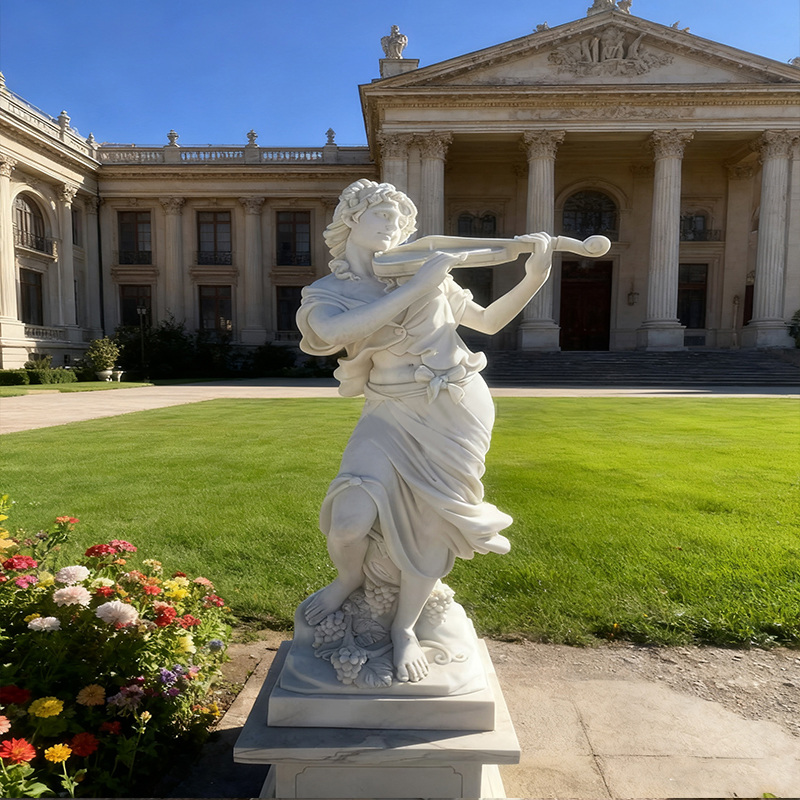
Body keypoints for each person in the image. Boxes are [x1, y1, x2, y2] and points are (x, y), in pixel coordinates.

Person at [297, 179, 553, 683]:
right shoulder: (330, 292)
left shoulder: (427, 273)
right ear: (352, 221)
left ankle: (404, 629)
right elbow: (331, 334)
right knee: (349, 519)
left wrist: (534, 276)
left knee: (435, 520)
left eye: (401, 221)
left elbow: (489, 321)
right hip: (388, 410)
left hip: (457, 404)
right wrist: (418, 287)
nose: (395, 229)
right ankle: (348, 579)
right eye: (384, 217)